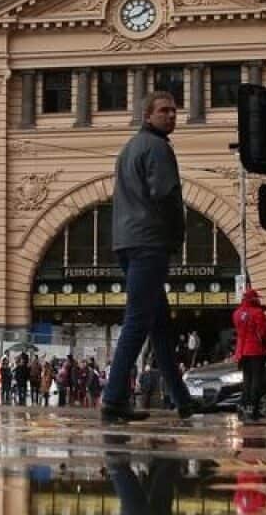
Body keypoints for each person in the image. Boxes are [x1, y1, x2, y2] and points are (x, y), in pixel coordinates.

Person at [100, 91, 200, 423]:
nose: (171, 116)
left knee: (160, 326)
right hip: (149, 241)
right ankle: (113, 398)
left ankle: (181, 399)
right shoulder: (157, 148)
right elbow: (166, 195)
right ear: (147, 115)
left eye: (174, 111)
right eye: (164, 111)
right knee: (139, 321)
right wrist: (178, 234)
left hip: (128, 240)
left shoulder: (130, 148)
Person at [232, 288, 266, 422]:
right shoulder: (258, 313)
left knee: (247, 380)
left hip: (242, 352)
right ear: (254, 299)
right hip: (256, 351)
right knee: (257, 380)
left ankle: (243, 406)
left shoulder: (237, 313)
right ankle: (253, 409)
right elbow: (264, 332)